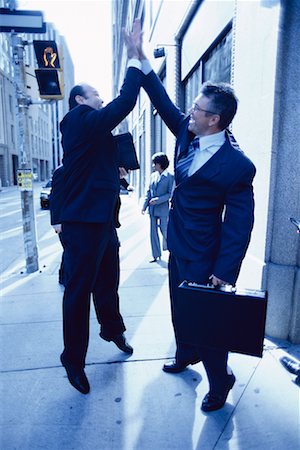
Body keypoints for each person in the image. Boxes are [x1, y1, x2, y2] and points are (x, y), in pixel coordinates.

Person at [135, 32, 256, 412]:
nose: (190, 112)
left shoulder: (237, 166)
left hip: (206, 255)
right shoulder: (188, 134)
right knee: (181, 310)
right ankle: (187, 353)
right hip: (179, 246)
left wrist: (225, 271)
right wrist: (141, 58)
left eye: (198, 109)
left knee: (208, 322)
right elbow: (164, 103)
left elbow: (240, 225)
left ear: (215, 120)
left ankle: (220, 381)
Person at [59, 21, 143, 395]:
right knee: (78, 292)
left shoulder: (93, 133)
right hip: (81, 224)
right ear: (80, 100)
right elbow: (125, 103)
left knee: (107, 282)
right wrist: (133, 59)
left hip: (103, 222)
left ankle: (112, 330)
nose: (100, 97)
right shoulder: (78, 120)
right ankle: (73, 360)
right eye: (95, 93)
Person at [142, 152, 174, 263]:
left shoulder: (170, 177)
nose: (153, 166)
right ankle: (156, 255)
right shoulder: (153, 176)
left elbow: (170, 193)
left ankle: (171, 251)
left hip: (163, 209)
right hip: (152, 210)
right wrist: (144, 206)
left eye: (154, 163)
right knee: (153, 233)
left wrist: (158, 200)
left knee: (164, 231)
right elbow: (148, 192)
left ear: (160, 164)